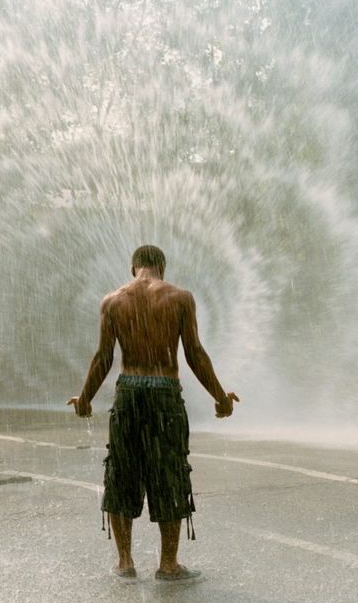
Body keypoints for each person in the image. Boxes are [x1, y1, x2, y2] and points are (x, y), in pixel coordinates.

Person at [68, 244, 238, 581]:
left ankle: (125, 562)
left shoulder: (113, 301)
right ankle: (168, 565)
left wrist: (85, 398)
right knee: (170, 474)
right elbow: (194, 353)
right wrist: (220, 397)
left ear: (134, 268)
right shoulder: (180, 298)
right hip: (164, 393)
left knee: (121, 473)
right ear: (162, 267)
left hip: (129, 392)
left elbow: (103, 356)